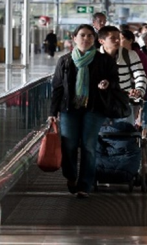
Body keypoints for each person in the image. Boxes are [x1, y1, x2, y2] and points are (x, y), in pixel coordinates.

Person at [50, 24, 119, 198]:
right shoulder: (65, 61)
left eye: (90, 35)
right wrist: (52, 112)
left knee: (89, 146)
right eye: (82, 35)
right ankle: (71, 175)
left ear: (94, 39)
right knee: (69, 145)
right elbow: (57, 88)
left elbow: (114, 80)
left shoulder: (104, 61)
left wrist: (107, 83)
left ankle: (85, 185)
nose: (86, 39)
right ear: (74, 38)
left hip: (94, 109)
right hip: (69, 109)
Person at [120, 29, 147, 142]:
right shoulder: (114, 55)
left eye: (122, 39)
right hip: (123, 96)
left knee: (140, 118)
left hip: (143, 94)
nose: (118, 42)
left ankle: (140, 137)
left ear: (130, 41)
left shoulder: (139, 56)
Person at [97, 25, 146, 107]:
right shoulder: (95, 56)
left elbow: (140, 74)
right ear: (101, 41)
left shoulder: (130, 54)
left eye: (118, 38)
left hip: (124, 101)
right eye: (112, 38)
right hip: (100, 102)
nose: (117, 40)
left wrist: (139, 90)